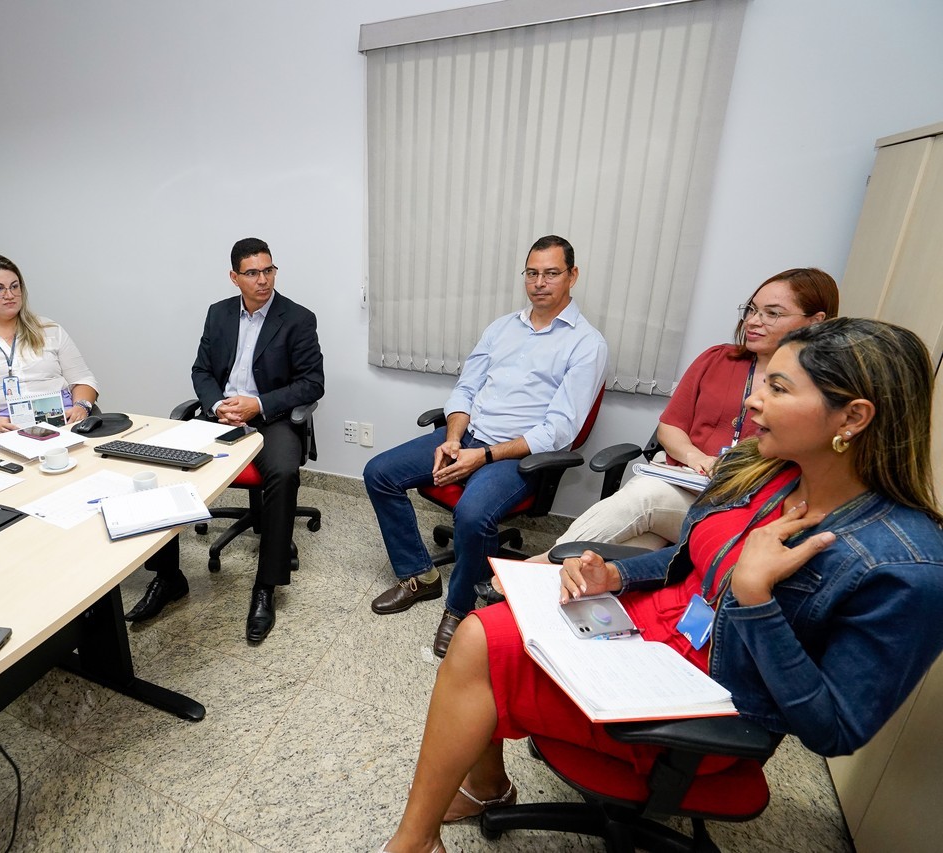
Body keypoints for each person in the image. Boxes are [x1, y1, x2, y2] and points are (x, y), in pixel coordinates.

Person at [379, 317, 943, 853]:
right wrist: (618, 573)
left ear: (852, 417)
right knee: (486, 628)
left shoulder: (905, 567)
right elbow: (691, 559)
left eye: (776, 387)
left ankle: (419, 837)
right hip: (657, 626)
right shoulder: (771, 470)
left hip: (706, 695)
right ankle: (472, 798)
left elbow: (835, 729)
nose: (753, 400)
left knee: (483, 649)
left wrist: (756, 599)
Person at [363, 235, 608, 657]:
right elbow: (466, 388)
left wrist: (486, 455)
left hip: (519, 455)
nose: (540, 283)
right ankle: (420, 576)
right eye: (532, 273)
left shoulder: (586, 344)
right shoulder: (501, 328)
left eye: (551, 273)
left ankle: (459, 610)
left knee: (472, 513)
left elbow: (560, 431)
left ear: (573, 276)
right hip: (470, 436)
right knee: (379, 473)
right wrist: (455, 440)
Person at [534, 267, 838, 557]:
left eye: (772, 313)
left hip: (737, 503)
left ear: (815, 321)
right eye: (752, 309)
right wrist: (697, 459)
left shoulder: (816, 389)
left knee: (646, 499)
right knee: (628, 550)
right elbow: (670, 427)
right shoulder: (717, 359)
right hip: (683, 477)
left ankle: (534, 569)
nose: (754, 321)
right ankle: (544, 583)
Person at [124, 237, 324, 643]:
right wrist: (216, 405)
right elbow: (201, 371)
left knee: (284, 472)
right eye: (252, 273)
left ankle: (265, 587)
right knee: (161, 464)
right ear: (234, 277)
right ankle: (168, 577)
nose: (263, 280)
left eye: (269, 270)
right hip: (220, 417)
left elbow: (312, 384)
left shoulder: (298, 318)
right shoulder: (218, 314)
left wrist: (258, 405)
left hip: (272, 419)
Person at [0, 253, 99, 457]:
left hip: (60, 419)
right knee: (7, 471)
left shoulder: (49, 330)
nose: (9, 294)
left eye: (14, 286)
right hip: (0, 428)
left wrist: (81, 406)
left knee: (95, 457)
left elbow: (83, 379)